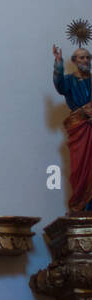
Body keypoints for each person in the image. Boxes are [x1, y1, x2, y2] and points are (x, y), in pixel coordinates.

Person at [53, 44, 92, 211]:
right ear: (75, 61)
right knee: (79, 167)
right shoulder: (70, 80)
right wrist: (58, 63)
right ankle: (81, 203)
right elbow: (60, 85)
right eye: (81, 57)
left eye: (88, 57)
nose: (86, 60)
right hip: (79, 127)